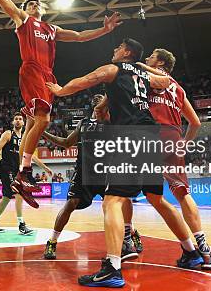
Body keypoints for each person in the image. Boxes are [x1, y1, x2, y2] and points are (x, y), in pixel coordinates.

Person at [47, 38, 204, 287]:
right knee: (157, 198)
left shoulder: (113, 69)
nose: (114, 50)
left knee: (112, 202)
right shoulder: (144, 76)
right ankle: (191, 252)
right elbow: (166, 81)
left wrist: (59, 91)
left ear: (127, 52)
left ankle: (112, 268)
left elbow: (86, 80)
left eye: (118, 47)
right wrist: (144, 67)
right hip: (152, 138)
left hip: (131, 137)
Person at [0, 0, 121, 207]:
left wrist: (104, 31)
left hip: (48, 74)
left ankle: (20, 175)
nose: (34, 4)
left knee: (32, 124)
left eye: (37, 2)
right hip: (32, 70)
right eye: (30, 3)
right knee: (44, 119)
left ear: (43, 8)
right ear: (26, 9)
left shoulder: (51, 28)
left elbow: (80, 36)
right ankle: (24, 173)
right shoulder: (23, 21)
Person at [133, 49, 211, 269]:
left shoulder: (151, 78)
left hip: (152, 136)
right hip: (173, 137)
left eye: (151, 56)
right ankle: (203, 248)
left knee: (123, 192)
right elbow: (195, 123)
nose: (147, 58)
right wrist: (183, 145)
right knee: (182, 192)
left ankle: (124, 241)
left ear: (159, 62)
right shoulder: (179, 89)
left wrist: (137, 66)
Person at [41, 94, 142, 261]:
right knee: (70, 204)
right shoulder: (84, 123)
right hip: (83, 172)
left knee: (119, 205)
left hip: (106, 172)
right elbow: (66, 142)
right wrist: (42, 133)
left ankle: (130, 234)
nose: (97, 98)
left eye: (101, 98)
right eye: (95, 98)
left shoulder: (111, 120)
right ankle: (52, 241)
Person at [0, 113, 52, 233]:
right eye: (16, 119)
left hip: (16, 170)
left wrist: (45, 168)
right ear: (13, 122)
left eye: (20, 119)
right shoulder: (8, 134)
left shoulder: (25, 138)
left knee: (7, 197)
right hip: (6, 168)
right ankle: (21, 224)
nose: (18, 121)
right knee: (19, 192)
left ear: (24, 123)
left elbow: (32, 156)